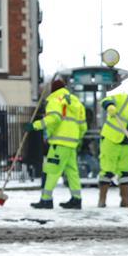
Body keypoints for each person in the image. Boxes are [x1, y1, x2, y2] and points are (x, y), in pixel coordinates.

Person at [30, 77, 87, 209]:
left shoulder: (55, 100)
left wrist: (36, 125)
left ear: (53, 89)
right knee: (72, 172)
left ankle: (46, 200)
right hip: (72, 144)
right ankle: (76, 199)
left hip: (59, 142)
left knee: (51, 171)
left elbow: (54, 118)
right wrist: (76, 138)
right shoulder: (76, 102)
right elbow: (83, 126)